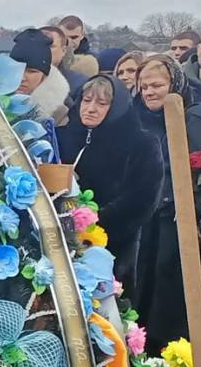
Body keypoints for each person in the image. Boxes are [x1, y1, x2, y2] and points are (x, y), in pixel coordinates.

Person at [58, 75, 163, 282]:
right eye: (86, 101)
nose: (90, 109)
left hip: (110, 245)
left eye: (102, 103)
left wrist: (91, 224)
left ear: (117, 108)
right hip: (56, 238)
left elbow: (141, 199)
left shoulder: (141, 143)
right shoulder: (61, 137)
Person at [131, 53, 192, 349]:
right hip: (142, 217)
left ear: (175, 84)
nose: (150, 92)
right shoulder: (132, 121)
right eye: (144, 87)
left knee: (167, 287)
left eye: (157, 85)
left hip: (174, 216)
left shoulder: (191, 118)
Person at [11, 29, 71, 124]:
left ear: (44, 76)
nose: (22, 78)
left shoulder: (58, 114)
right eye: (17, 70)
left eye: (31, 72)